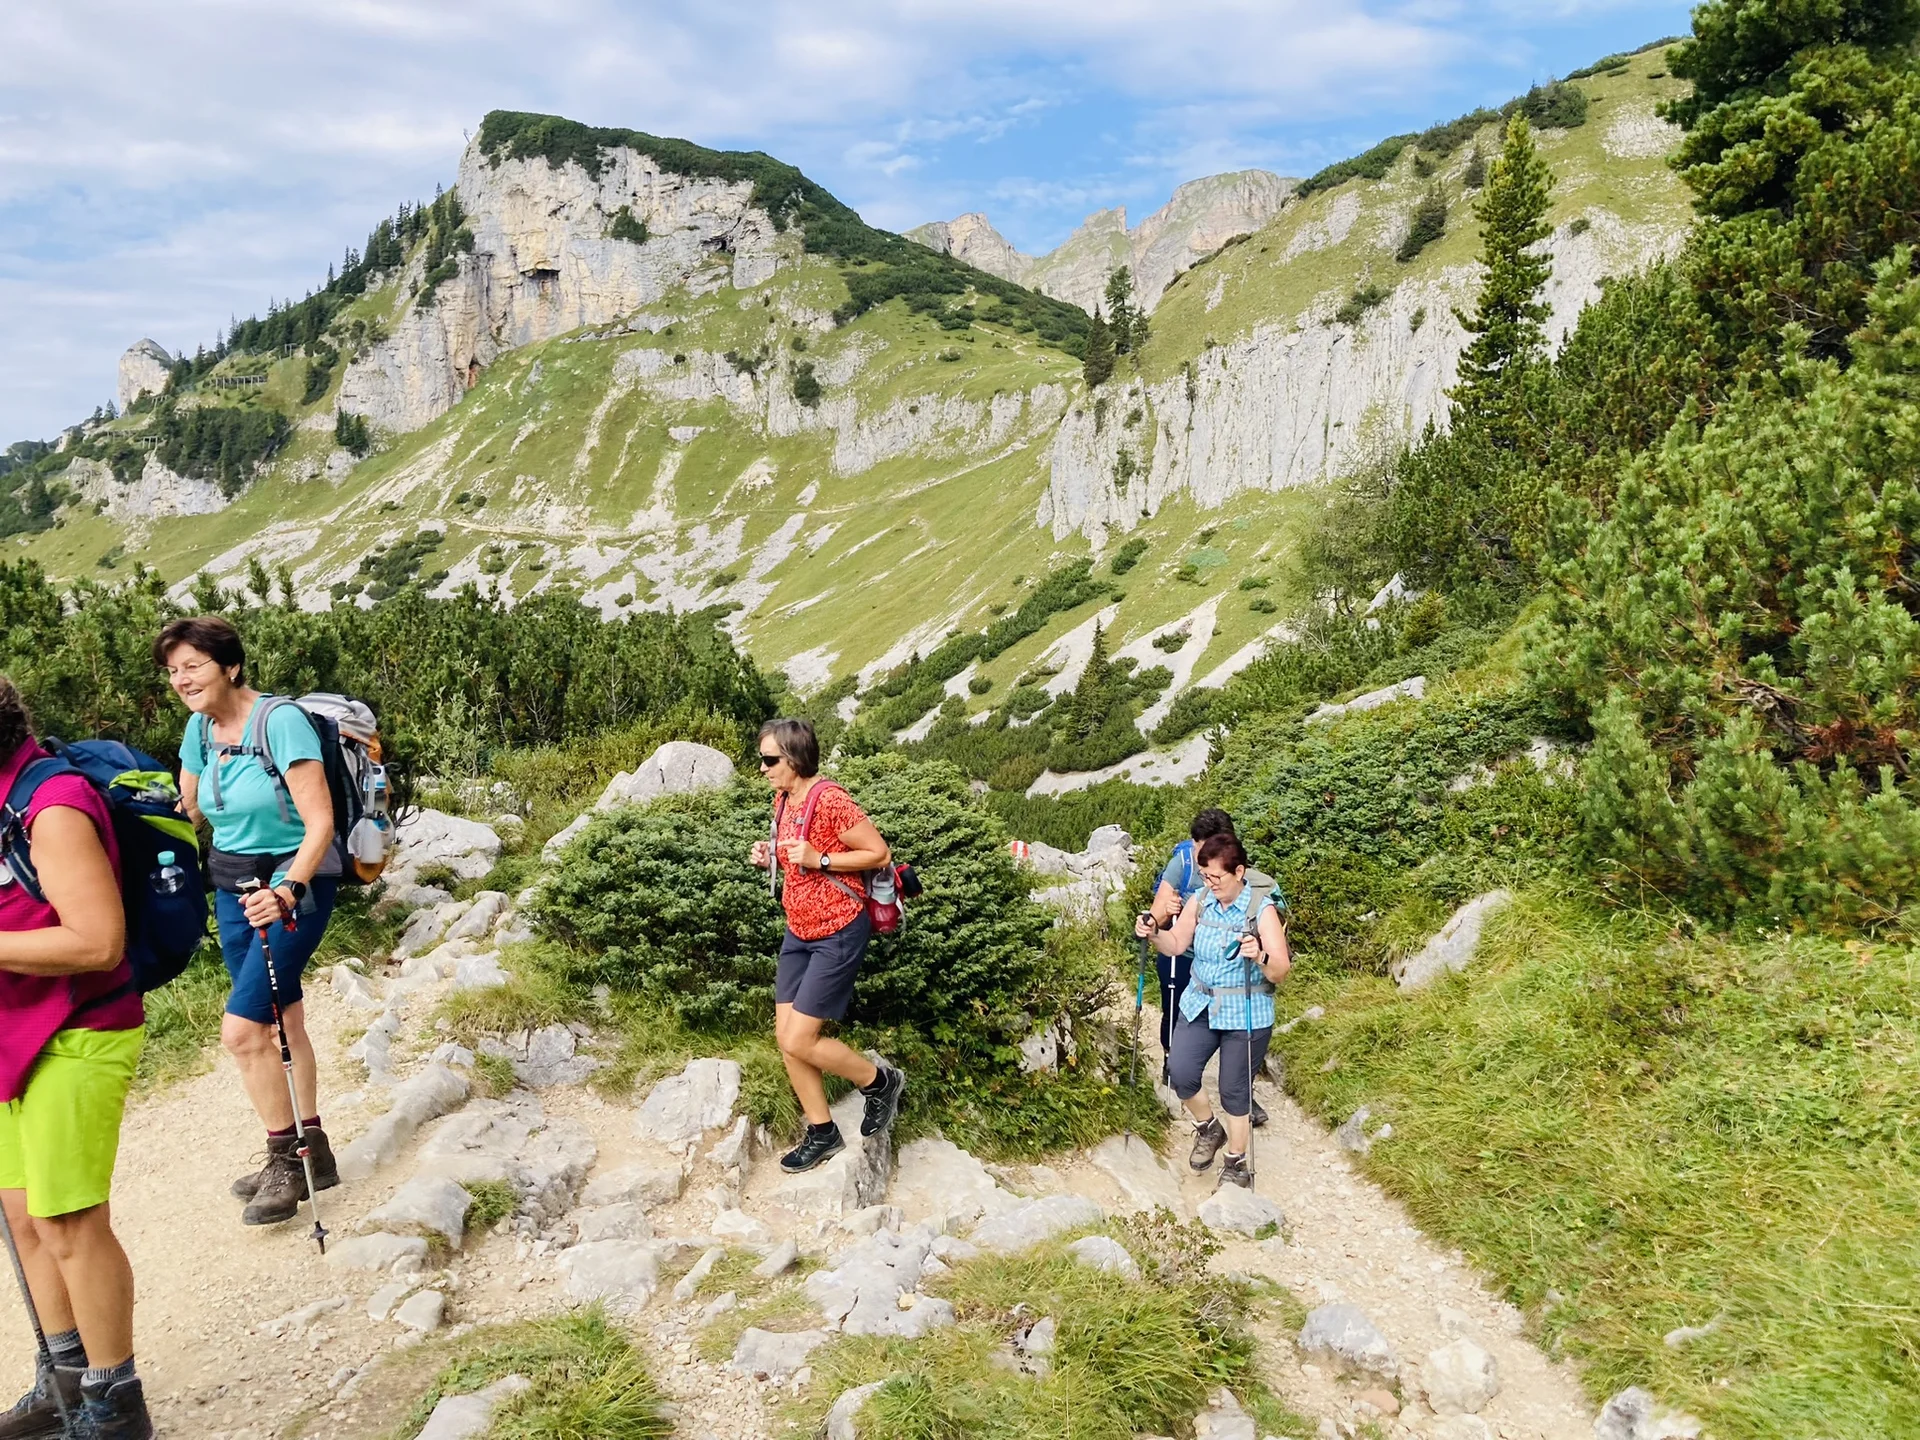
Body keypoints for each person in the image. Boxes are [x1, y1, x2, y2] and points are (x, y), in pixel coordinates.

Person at [0, 678, 153, 1439]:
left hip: (79, 1028)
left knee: (67, 1218)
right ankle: (63, 1381)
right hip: (13, 1037)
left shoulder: (50, 805)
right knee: (24, 1220)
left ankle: (114, 1402)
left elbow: (97, 941)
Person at [156, 616, 340, 1227]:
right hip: (231, 888)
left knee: (241, 1031)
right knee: (282, 1017)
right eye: (174, 670)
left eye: (194, 666)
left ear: (230, 666)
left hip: (293, 889)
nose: (182, 680)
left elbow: (320, 823)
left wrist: (289, 890)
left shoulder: (279, 722)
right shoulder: (199, 730)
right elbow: (189, 810)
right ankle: (317, 1152)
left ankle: (283, 1159)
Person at [747, 719, 906, 1173]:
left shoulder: (831, 801)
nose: (763, 768)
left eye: (770, 760)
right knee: (786, 1040)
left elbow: (878, 853)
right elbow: (795, 853)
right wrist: (770, 854)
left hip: (838, 929)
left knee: (800, 1037)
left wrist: (822, 859)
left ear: (795, 759)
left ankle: (879, 1082)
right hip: (799, 930)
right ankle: (822, 1132)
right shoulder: (784, 798)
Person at [1136, 833, 1290, 1190]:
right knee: (1181, 1071)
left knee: (1233, 1090)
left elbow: (1280, 970)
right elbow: (1176, 944)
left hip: (1245, 1010)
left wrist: (1260, 955)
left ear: (1239, 872)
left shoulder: (1260, 910)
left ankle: (1236, 1163)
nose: (1209, 884)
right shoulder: (1201, 902)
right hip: (1200, 1003)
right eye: (1205, 876)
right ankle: (1209, 1129)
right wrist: (1154, 931)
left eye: (1216, 878)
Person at [1149, 809, 1269, 1127]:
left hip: (1228, 966)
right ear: (1194, 843)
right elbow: (1156, 916)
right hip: (1183, 954)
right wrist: (1164, 914)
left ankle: (1240, 1094)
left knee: (1234, 1031)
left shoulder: (1231, 865)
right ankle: (1173, 1066)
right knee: (1175, 1011)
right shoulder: (1182, 864)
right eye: (1204, 845)